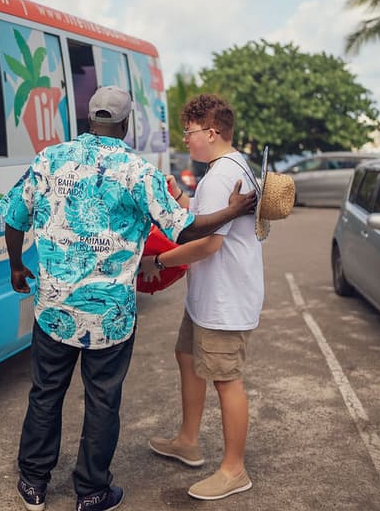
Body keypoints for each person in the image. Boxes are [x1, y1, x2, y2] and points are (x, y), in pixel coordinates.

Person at [0, 86, 257, 511]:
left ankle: (33, 483)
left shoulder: (49, 159)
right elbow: (186, 229)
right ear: (124, 126)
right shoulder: (137, 172)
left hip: (54, 309)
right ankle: (92, 491)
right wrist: (233, 211)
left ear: (88, 119)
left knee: (45, 393)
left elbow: (12, 215)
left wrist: (14, 265)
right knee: (102, 400)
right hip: (110, 315)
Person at [140, 94, 264, 501]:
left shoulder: (220, 176)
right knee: (188, 356)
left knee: (227, 381)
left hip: (224, 300)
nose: (185, 139)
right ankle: (188, 441)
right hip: (210, 296)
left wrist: (158, 260)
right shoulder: (231, 167)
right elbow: (208, 217)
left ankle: (234, 470)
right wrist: (180, 201)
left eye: (190, 132)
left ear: (211, 133)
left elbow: (208, 244)